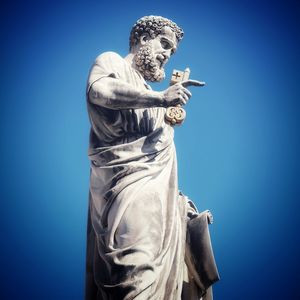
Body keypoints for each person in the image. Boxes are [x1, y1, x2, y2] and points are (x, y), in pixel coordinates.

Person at [85, 15, 214, 300]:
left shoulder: (153, 100)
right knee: (134, 269)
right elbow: (99, 91)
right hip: (122, 193)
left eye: (171, 51)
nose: (167, 54)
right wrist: (160, 99)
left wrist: (181, 207)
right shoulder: (112, 63)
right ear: (143, 39)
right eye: (164, 44)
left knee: (156, 278)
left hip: (159, 206)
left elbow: (161, 170)